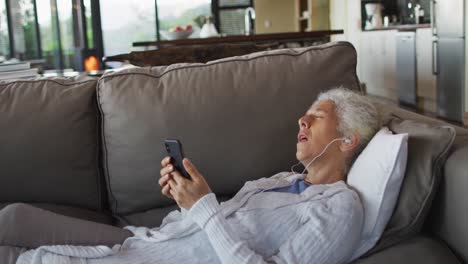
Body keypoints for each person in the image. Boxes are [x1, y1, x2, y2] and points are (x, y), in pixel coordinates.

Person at [2, 87, 380, 264]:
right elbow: (205, 226)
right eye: (305, 112)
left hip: (151, 260)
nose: (302, 119)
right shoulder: (283, 179)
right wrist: (185, 199)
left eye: (318, 115)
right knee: (13, 217)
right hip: (144, 240)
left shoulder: (340, 209)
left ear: (348, 140)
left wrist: (203, 207)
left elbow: (213, 227)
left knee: (25, 257)